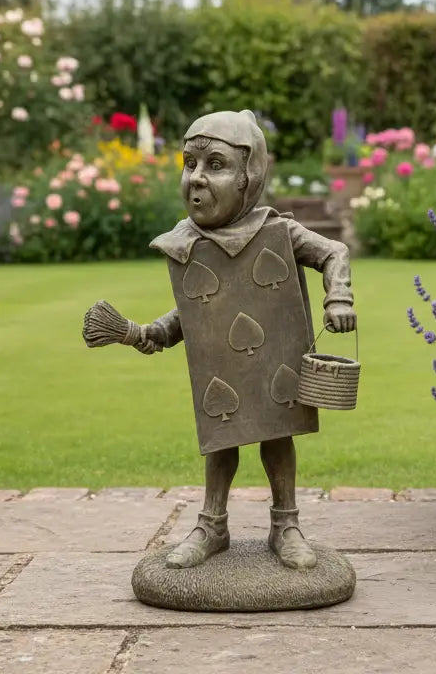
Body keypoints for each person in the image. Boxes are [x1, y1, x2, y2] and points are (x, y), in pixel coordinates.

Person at [131, 109, 356, 570]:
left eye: (215, 165)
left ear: (248, 176)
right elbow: (199, 304)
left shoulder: (278, 231)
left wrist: (339, 298)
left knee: (277, 433)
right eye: (190, 163)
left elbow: (334, 252)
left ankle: (286, 524)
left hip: (278, 366)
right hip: (221, 372)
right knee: (221, 438)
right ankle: (212, 525)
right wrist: (158, 331)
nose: (197, 177)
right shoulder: (187, 241)